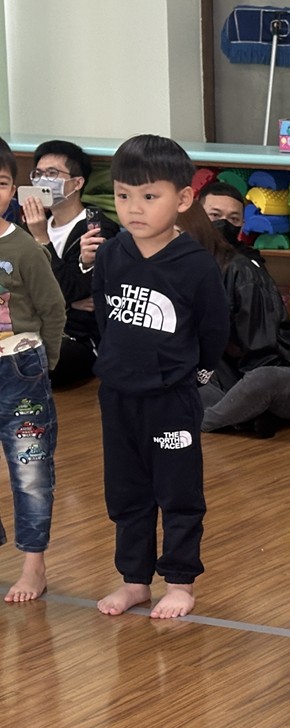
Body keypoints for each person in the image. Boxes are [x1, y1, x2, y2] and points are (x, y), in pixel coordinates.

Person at [92, 135, 229, 619]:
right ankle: (134, 580)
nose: (134, 208)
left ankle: (179, 582)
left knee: (177, 490)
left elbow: (214, 329)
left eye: (149, 196)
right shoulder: (111, 255)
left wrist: (194, 376)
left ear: (183, 199)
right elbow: (104, 317)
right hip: (118, 396)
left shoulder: (195, 265)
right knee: (126, 491)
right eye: (124, 195)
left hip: (171, 399)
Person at [191, 188, 290, 438]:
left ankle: (208, 420)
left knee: (262, 379)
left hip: (275, 375)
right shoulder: (187, 260)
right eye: (215, 215)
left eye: (233, 219)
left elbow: (261, 349)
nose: (223, 224)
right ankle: (246, 416)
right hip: (224, 374)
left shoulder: (243, 270)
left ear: (242, 224)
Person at [0, 137, 66, 603]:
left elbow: (53, 310)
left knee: (30, 468)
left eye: (1, 182)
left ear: (13, 189)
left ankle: (33, 565)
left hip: (19, 367)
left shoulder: (23, 248)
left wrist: (45, 365)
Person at [20, 140, 120, 386]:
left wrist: (42, 239)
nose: (43, 180)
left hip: (78, 338)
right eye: (38, 174)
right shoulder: (29, 226)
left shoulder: (96, 228)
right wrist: (68, 302)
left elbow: (73, 289)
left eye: (52, 173)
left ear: (77, 183)